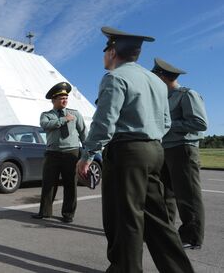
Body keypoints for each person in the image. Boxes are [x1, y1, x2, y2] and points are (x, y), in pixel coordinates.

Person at [76, 27, 193, 272]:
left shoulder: (115, 78)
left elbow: (104, 123)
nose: (105, 55)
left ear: (113, 51)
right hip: (153, 150)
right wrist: (149, 140)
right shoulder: (156, 82)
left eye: (106, 49)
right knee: (158, 219)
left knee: (124, 219)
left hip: (127, 153)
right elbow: (166, 122)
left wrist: (87, 155)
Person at [152, 57, 208, 249]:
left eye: (155, 76)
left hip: (183, 149)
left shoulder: (187, 94)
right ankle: (166, 231)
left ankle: (192, 238)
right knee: (165, 194)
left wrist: (168, 125)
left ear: (161, 77)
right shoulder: (164, 99)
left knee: (188, 196)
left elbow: (200, 123)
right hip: (166, 150)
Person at [33, 82, 87, 223]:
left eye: (66, 98)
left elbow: (83, 133)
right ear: (53, 100)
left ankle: (68, 214)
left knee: (70, 184)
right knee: (48, 183)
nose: (64, 100)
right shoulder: (46, 115)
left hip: (71, 153)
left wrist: (88, 152)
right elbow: (46, 125)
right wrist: (63, 120)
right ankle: (45, 212)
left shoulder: (75, 114)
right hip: (52, 153)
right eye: (61, 98)